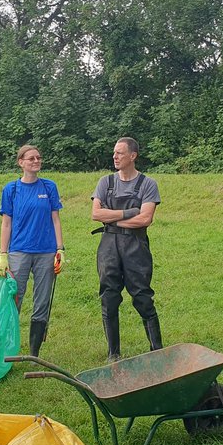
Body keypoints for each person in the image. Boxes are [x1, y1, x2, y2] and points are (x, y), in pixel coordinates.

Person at [92, 137, 162, 360]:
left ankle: (157, 351)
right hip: (108, 247)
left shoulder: (148, 184)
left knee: (142, 296)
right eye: (114, 153)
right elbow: (95, 214)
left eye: (120, 153)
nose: (115, 157)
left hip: (136, 246)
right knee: (109, 297)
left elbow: (145, 219)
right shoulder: (105, 182)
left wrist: (112, 219)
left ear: (133, 156)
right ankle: (113, 353)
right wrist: (129, 212)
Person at [0, 145, 65, 357]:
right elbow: (6, 223)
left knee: (42, 299)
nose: (36, 161)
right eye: (31, 158)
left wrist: (60, 248)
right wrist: (3, 254)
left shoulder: (49, 187)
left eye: (38, 157)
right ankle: (7, 348)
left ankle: (35, 352)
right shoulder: (11, 190)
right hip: (19, 251)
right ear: (21, 162)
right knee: (14, 298)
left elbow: (55, 219)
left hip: (46, 251)